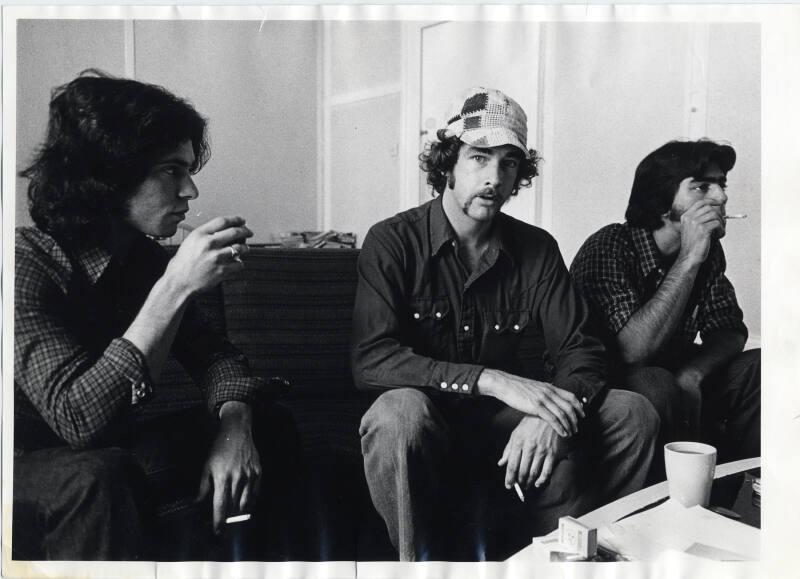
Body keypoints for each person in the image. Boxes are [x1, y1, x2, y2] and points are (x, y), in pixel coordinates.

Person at [351, 87, 658, 561]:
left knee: (631, 412)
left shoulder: (536, 248)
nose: (494, 178)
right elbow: (373, 359)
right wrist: (491, 380)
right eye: (479, 158)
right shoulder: (392, 242)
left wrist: (547, 417)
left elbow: (582, 350)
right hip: (428, 424)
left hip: (506, 427)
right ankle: (418, 567)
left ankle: (575, 558)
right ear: (447, 163)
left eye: (509, 162)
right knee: (396, 413)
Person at [13, 70, 298, 560]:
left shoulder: (141, 259)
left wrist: (234, 426)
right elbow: (78, 422)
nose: (191, 192)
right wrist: (176, 285)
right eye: (171, 171)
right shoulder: (23, 261)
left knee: (270, 424)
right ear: (108, 176)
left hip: (115, 454)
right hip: (29, 465)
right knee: (99, 475)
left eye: (189, 171)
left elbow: (217, 358)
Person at [570, 139, 760, 470]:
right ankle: (670, 502)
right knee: (655, 382)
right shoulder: (610, 245)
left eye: (721, 184)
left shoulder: (708, 250)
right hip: (609, 383)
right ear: (662, 200)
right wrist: (689, 259)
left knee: (760, 368)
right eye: (702, 187)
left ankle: (733, 491)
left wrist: (694, 372)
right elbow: (632, 351)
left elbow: (728, 328)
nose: (721, 196)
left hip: (676, 373)